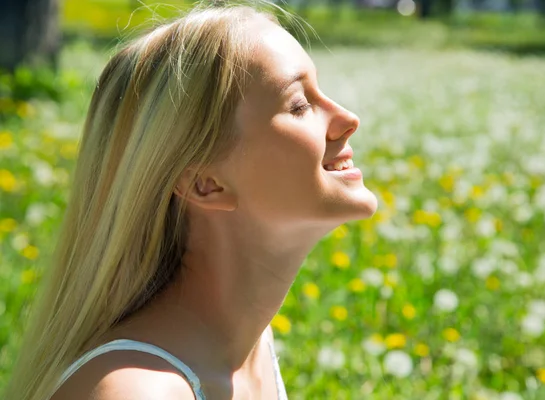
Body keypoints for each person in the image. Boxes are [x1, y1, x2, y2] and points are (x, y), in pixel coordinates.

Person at [3, 2, 378, 399]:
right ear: (205, 184)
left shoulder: (248, 348)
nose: (347, 118)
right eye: (299, 105)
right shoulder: (135, 392)